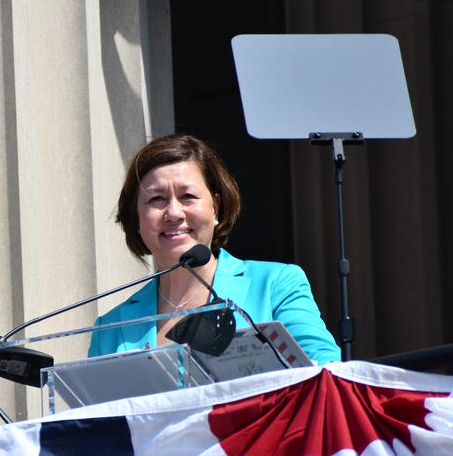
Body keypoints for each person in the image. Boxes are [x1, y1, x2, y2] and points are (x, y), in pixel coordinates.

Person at [88, 134, 341, 365]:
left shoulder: (276, 285)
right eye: (157, 199)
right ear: (137, 218)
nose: (174, 213)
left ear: (216, 207)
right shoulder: (110, 328)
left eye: (188, 196)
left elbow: (325, 372)